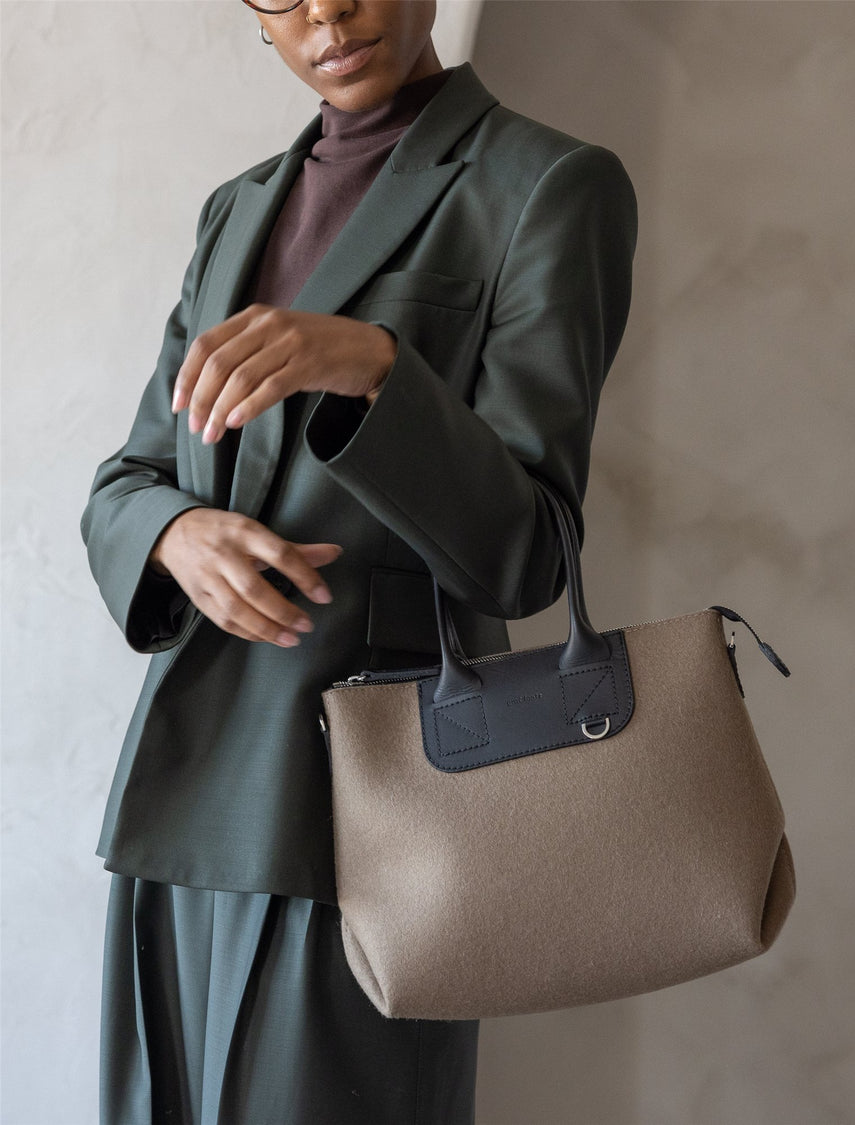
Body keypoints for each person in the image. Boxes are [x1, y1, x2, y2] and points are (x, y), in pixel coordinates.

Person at [81, 1, 637, 1121]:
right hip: (181, 798)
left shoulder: (550, 185)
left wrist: (380, 370)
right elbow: (127, 482)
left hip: (372, 819)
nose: (325, 10)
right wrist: (175, 536)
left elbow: (530, 553)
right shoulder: (234, 210)